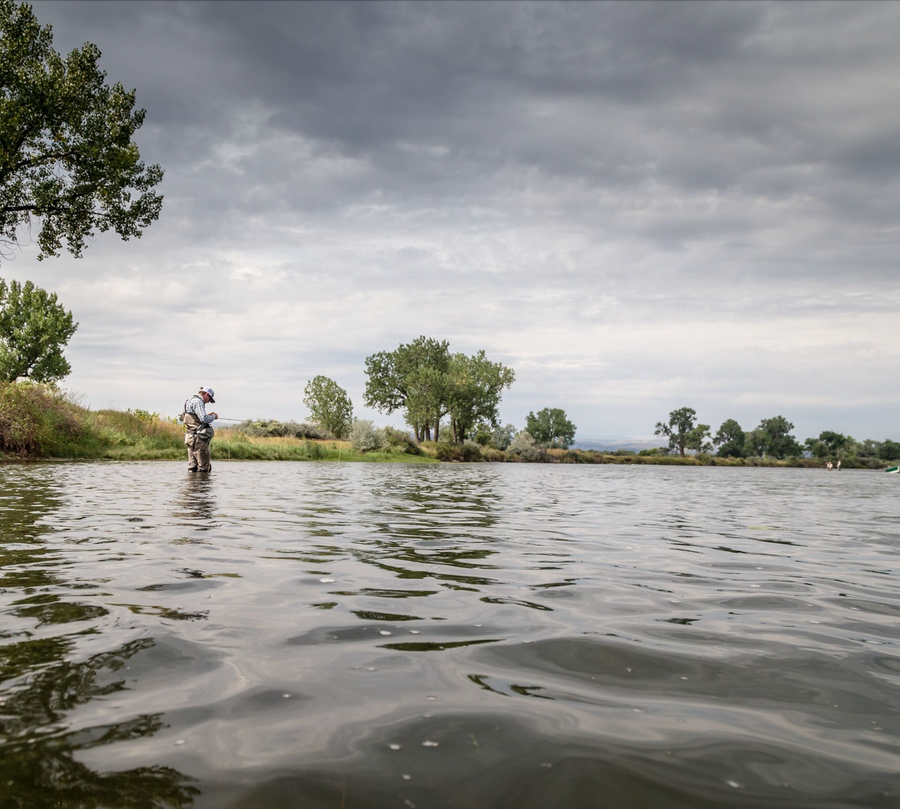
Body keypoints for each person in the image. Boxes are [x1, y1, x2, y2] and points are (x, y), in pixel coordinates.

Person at [181, 387, 218, 472]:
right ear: (206, 394)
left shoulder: (188, 401)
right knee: (203, 468)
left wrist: (206, 415)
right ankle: (202, 481)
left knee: (192, 467)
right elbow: (204, 419)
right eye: (209, 399)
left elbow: (183, 417)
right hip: (199, 439)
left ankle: (191, 481)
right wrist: (214, 416)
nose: (208, 402)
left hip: (189, 437)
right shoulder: (198, 402)